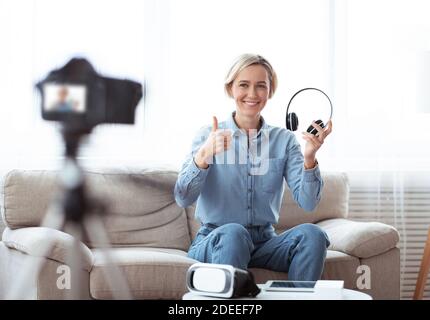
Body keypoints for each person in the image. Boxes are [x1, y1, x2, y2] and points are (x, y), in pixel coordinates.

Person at [174, 53, 333, 281]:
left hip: (264, 242)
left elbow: (308, 202)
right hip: (218, 239)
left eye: (261, 86)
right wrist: (204, 155)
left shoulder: (284, 140)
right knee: (234, 233)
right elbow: (182, 198)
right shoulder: (208, 136)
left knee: (313, 235)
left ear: (270, 91)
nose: (252, 94)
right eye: (243, 85)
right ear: (230, 89)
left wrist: (310, 158)